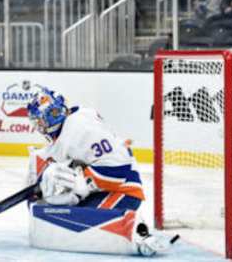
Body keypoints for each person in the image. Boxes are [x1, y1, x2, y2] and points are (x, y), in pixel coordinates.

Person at [26, 87, 175, 256]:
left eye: (41, 121)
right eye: (36, 122)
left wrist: (84, 182)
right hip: (102, 190)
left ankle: (137, 233)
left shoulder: (81, 130)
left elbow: (119, 169)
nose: (39, 126)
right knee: (59, 216)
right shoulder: (72, 123)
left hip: (123, 191)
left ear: (53, 115)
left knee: (76, 223)